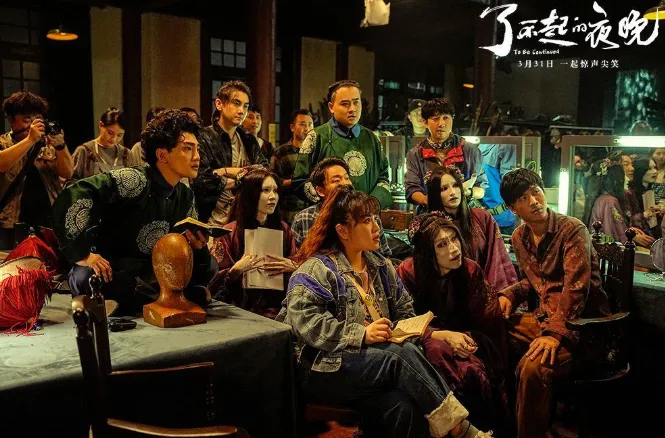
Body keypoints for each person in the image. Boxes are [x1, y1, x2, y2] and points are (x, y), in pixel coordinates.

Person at [277, 185, 491, 438]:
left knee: (404, 406)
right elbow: (307, 324)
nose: (376, 226)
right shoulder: (316, 270)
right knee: (400, 355)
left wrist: (403, 329)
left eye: (375, 218)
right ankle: (459, 428)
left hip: (372, 363)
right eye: (366, 221)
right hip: (323, 368)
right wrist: (362, 334)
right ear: (343, 231)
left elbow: (404, 310)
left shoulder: (380, 266)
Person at [52, 109, 215, 315]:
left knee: (210, 265)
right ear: (162, 155)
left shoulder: (185, 195)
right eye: (188, 149)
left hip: (152, 272)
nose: (197, 157)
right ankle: (157, 299)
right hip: (114, 267)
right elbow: (76, 193)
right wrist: (83, 254)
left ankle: (137, 300)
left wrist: (197, 247)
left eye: (197, 149)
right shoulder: (133, 179)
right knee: (87, 277)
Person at [498, 168, 610, 438]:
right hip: (545, 319)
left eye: (535, 192)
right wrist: (508, 295)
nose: (534, 201)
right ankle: (508, 424)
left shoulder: (572, 229)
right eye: (523, 198)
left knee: (532, 368)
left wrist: (555, 333)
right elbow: (535, 282)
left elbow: (577, 288)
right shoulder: (520, 237)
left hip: (584, 328)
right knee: (492, 331)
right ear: (513, 209)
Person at [397, 214, 511, 434]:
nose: (454, 249)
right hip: (423, 345)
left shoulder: (470, 270)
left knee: (472, 372)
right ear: (427, 251)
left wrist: (466, 340)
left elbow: (489, 323)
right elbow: (404, 322)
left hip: (469, 344)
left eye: (454, 238)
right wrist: (442, 336)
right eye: (442, 244)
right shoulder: (408, 272)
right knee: (437, 352)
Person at [208, 167, 297, 319]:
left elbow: (297, 263)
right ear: (251, 194)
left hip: (276, 309)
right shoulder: (228, 232)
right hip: (238, 311)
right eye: (266, 190)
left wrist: (294, 266)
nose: (273, 197)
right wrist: (235, 270)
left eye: (275, 191)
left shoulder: (284, 229)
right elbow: (213, 282)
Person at [293, 79, 392, 208]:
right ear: (331, 107)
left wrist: (372, 203)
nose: (352, 109)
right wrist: (329, 202)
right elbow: (299, 181)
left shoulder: (372, 139)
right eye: (345, 104)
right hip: (328, 214)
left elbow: (383, 178)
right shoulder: (316, 137)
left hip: (366, 214)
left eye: (356, 102)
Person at [426, 166, 516, 292]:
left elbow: (497, 258)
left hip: (484, 291)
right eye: (444, 188)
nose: (452, 192)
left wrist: (497, 294)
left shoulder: (481, 217)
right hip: (446, 295)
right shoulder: (431, 226)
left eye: (456, 185)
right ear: (435, 194)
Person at [0, 91, 73, 244]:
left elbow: (67, 173)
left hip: (49, 223)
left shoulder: (48, 144)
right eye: (27, 120)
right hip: (11, 225)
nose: (33, 125)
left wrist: (61, 146)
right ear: (11, 120)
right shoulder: (3, 143)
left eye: (37, 120)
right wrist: (30, 139)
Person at [192, 80, 268, 226]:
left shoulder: (248, 139)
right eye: (236, 103)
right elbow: (203, 182)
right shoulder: (204, 137)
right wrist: (243, 178)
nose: (242, 111)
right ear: (219, 104)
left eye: (245, 106)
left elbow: (263, 173)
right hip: (212, 221)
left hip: (245, 219)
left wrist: (226, 171)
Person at [291, 157, 392, 257]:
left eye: (347, 178)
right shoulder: (304, 218)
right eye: (336, 180)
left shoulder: (367, 213)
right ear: (320, 191)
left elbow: (384, 256)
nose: (345, 184)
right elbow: (296, 259)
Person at [406, 98, 487, 214]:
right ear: (425, 122)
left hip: (464, 215)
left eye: (445, 118)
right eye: (435, 119)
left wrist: (466, 191)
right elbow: (411, 190)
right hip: (430, 215)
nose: (441, 124)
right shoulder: (415, 154)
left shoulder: (470, 150)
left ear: (452, 119)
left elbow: (481, 190)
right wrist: (427, 200)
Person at [270, 109, 314, 223]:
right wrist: (293, 182)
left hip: (313, 213)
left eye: (310, 124)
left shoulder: (316, 151)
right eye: (302, 124)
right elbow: (272, 180)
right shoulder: (282, 152)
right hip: (289, 213)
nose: (307, 129)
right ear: (292, 127)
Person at [72, 107, 131, 179]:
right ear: (100, 125)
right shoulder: (84, 151)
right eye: (110, 133)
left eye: (119, 135)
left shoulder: (127, 154)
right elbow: (71, 182)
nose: (114, 138)